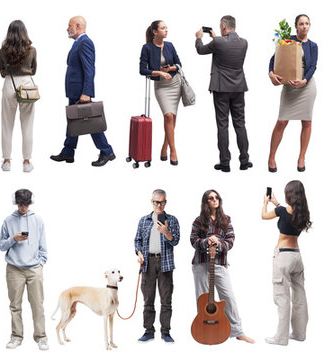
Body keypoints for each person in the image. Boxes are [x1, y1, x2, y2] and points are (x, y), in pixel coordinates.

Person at [189, 190, 254, 343]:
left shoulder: (226, 220)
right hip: (200, 263)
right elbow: (193, 240)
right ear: (206, 202)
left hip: (219, 263)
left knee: (228, 297)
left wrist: (218, 243)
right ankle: (204, 330)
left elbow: (231, 240)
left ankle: (238, 331)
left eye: (216, 197)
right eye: (211, 198)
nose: (215, 200)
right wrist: (206, 241)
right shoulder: (199, 221)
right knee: (202, 299)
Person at [50, 16, 115, 167]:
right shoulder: (78, 43)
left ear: (78, 26)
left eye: (69, 26)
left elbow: (89, 69)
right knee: (73, 121)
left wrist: (87, 92)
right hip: (75, 91)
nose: (67, 28)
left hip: (81, 92)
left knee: (91, 122)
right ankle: (68, 151)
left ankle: (107, 151)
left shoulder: (85, 42)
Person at [196, 16, 251, 172]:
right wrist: (217, 37)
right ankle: (244, 161)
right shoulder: (244, 42)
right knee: (240, 124)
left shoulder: (218, 42)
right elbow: (223, 46)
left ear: (223, 26)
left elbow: (201, 50)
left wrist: (199, 38)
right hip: (239, 88)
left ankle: (225, 163)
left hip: (221, 88)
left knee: (223, 125)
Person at [261, 180, 310, 345]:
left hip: (283, 257)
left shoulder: (281, 211)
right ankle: (299, 334)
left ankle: (281, 338)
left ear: (289, 194)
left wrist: (265, 203)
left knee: (282, 297)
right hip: (297, 256)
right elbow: (289, 214)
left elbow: (263, 216)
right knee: (300, 296)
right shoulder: (303, 213)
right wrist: (277, 203)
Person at [267, 14, 317, 173]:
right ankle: (271, 157)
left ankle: (302, 157)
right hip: (289, 85)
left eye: (307, 23)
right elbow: (274, 59)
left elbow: (313, 66)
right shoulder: (286, 40)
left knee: (307, 122)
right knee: (282, 121)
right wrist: (271, 74)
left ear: (310, 26)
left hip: (306, 87)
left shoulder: (313, 46)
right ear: (295, 26)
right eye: (301, 24)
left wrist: (304, 81)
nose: (304, 26)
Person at [0, 189, 47, 350]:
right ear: (16, 203)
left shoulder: (38, 220)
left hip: (34, 269)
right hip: (14, 269)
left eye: (26, 204)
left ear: (30, 203)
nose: (23, 208)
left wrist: (41, 263)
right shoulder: (8, 221)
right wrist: (13, 239)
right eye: (20, 204)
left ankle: (41, 337)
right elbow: (0, 245)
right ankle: (16, 336)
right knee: (15, 305)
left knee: (37, 305)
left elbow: (43, 244)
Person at [133, 189, 180, 343]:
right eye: (156, 202)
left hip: (165, 263)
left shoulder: (172, 220)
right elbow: (137, 241)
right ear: (151, 202)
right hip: (147, 263)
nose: (159, 205)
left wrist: (166, 232)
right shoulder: (143, 220)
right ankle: (148, 331)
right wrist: (139, 254)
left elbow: (175, 241)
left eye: (162, 202)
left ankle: (165, 332)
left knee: (166, 300)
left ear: (166, 202)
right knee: (148, 300)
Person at [140, 20, 183, 166]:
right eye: (163, 28)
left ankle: (164, 147)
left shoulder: (170, 45)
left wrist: (169, 69)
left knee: (171, 119)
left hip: (175, 84)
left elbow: (179, 64)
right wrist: (159, 72)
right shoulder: (147, 48)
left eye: (167, 28)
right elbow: (142, 69)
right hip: (161, 86)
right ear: (155, 31)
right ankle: (173, 151)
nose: (166, 30)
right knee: (168, 116)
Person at [0, 20, 37, 173]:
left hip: (10, 83)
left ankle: (6, 161)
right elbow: (34, 70)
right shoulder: (32, 50)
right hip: (27, 85)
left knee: (6, 124)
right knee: (27, 125)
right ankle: (27, 162)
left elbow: (1, 71)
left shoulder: (3, 50)